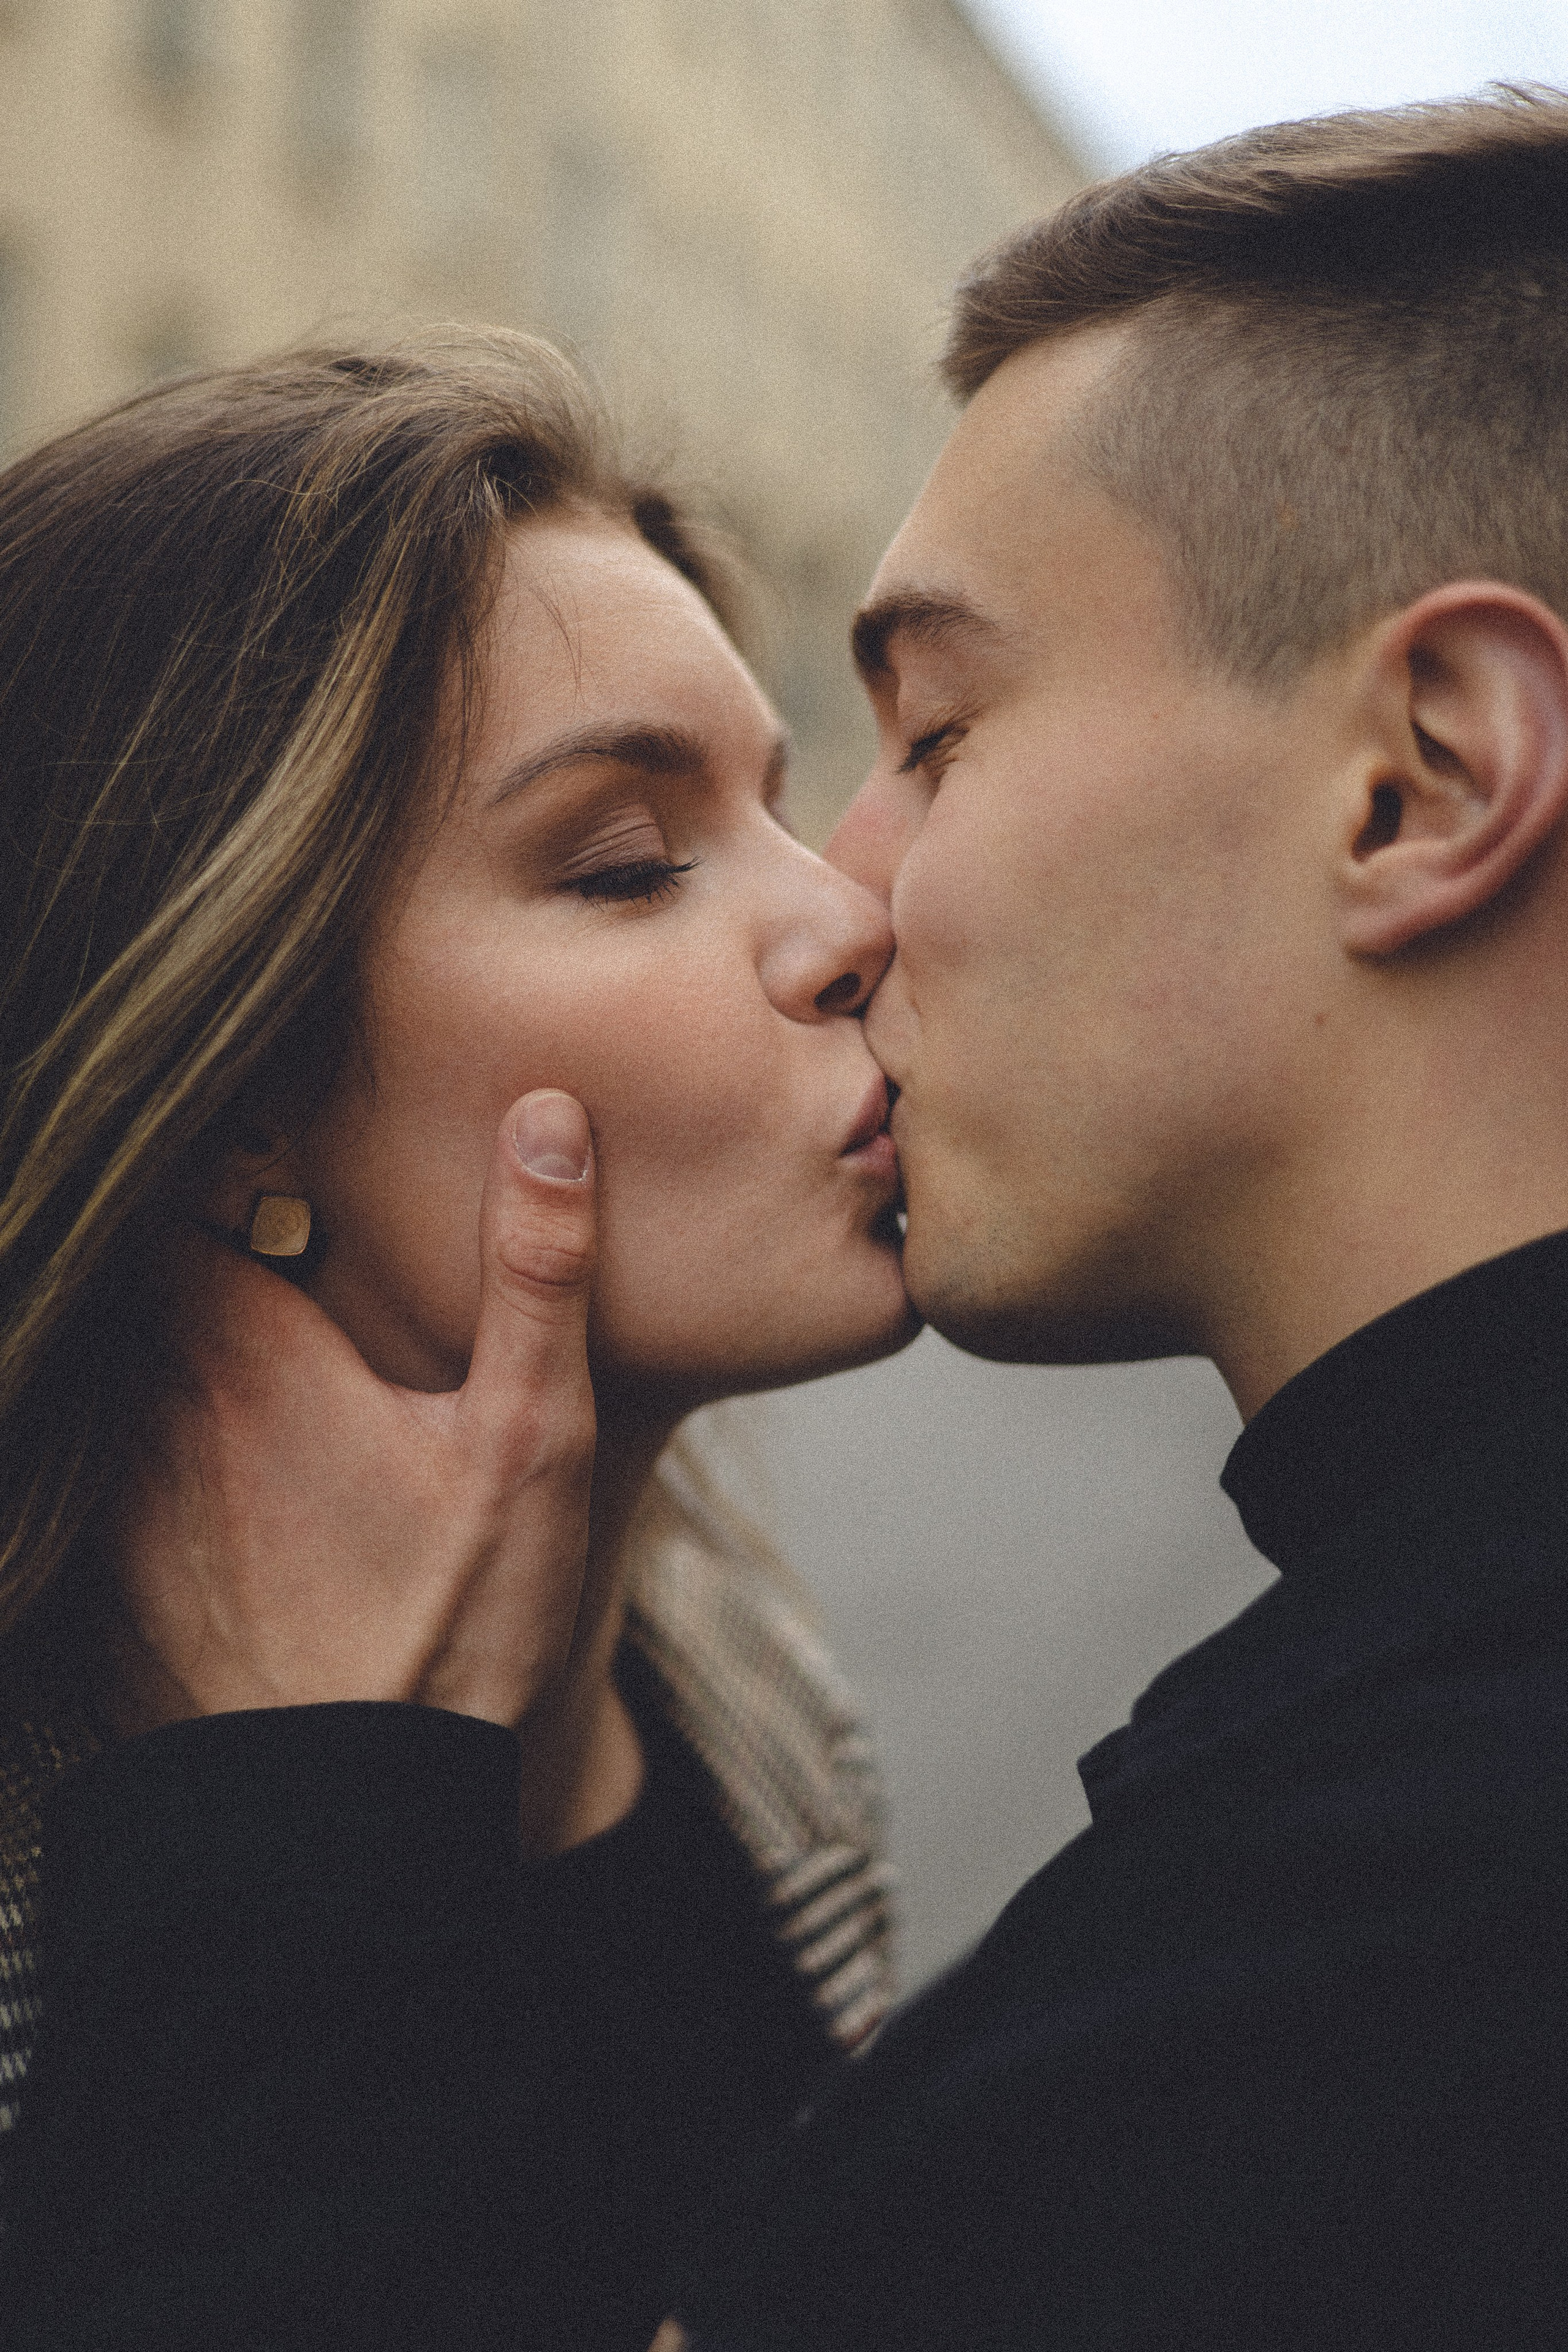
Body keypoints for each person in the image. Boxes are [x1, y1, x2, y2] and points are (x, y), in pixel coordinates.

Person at [676, 86, 1568, 2349]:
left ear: (1427, 773)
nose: (847, 895)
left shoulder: (1339, 1981)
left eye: (940, 731)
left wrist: (308, 1810)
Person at [0, 332, 919, 2350]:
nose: (852, 921)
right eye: (627, 863)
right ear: (229, 1092)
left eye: (783, 806)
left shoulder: (757, 1694)